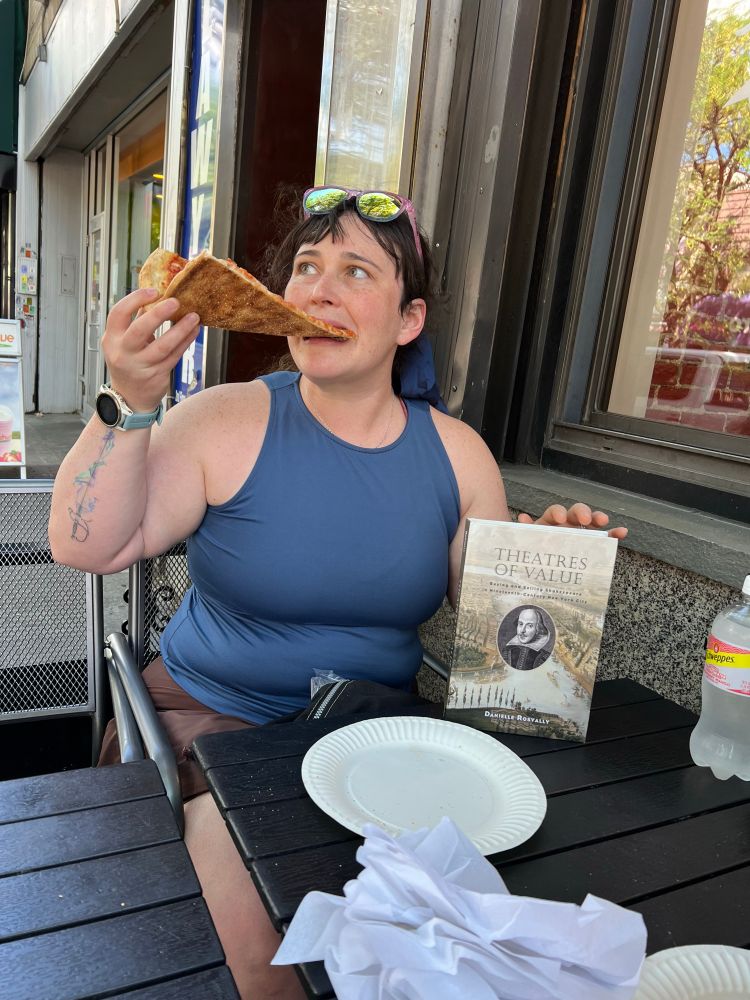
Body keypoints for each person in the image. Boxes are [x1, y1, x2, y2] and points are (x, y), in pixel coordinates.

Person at [49, 185, 626, 998]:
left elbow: (503, 637)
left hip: (376, 732)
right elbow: (87, 544)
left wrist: (547, 569)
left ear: (409, 321)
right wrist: (130, 401)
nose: (318, 288)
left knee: (463, 927)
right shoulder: (224, 420)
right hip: (218, 726)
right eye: (307, 267)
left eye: (357, 271)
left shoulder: (459, 456)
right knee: (271, 954)